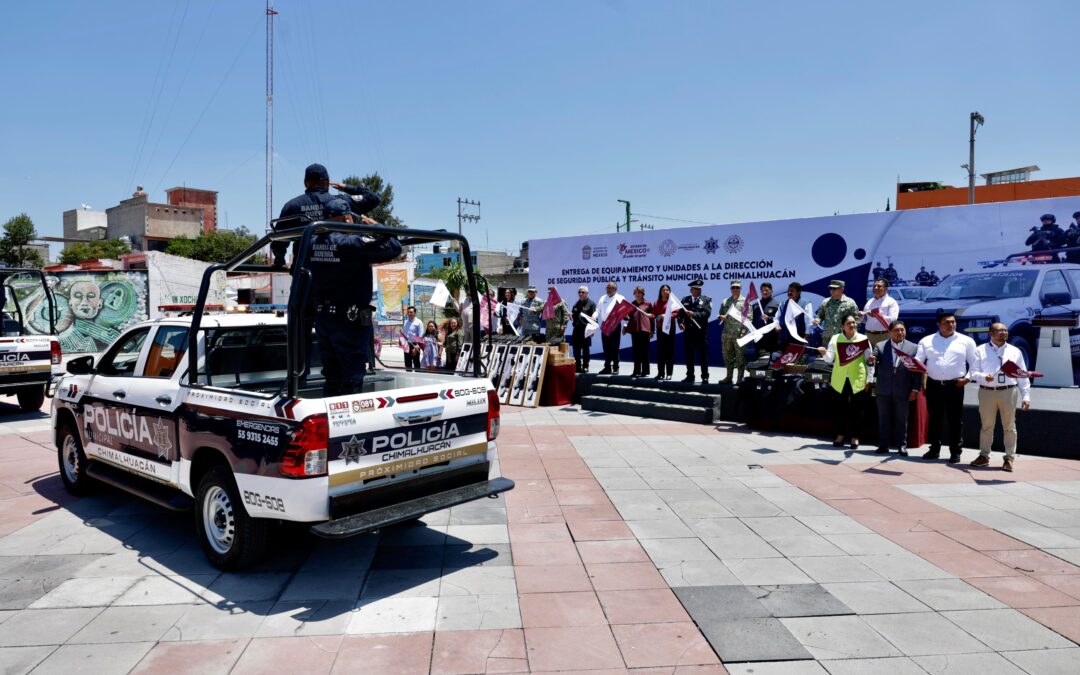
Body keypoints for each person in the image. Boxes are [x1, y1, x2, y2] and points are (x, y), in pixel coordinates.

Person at [308, 198, 401, 396]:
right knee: (352, 377)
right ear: (347, 218)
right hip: (347, 322)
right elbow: (394, 247)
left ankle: (330, 416)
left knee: (332, 375)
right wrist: (378, 227)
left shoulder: (311, 242)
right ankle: (347, 422)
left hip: (324, 319)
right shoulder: (349, 242)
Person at [273, 163, 380, 268]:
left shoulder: (291, 206)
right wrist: (346, 187)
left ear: (305, 183)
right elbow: (373, 198)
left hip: (304, 272)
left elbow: (279, 240)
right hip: (339, 269)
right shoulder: (341, 202)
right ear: (327, 182)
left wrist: (279, 262)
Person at [915, 311, 977, 464]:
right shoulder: (926, 341)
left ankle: (955, 451)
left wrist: (967, 379)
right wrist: (910, 363)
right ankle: (934, 449)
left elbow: (975, 363)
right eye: (947, 322)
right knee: (935, 419)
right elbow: (918, 361)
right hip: (934, 385)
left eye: (953, 322)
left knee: (955, 420)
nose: (951, 325)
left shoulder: (966, 341)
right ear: (938, 324)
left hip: (955, 385)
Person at [970, 323, 1031, 472]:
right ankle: (984, 456)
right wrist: (984, 377)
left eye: (1005, 330)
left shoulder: (1015, 351)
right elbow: (973, 372)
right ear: (990, 333)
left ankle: (1009, 458)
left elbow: (1022, 374)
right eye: (1000, 330)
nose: (1004, 333)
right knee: (986, 426)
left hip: (1008, 391)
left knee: (1009, 426)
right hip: (987, 392)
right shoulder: (980, 350)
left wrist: (1026, 396)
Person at [816, 315, 871, 449]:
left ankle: (855, 437)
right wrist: (823, 353)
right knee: (840, 409)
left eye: (854, 322)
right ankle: (840, 435)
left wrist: (869, 378)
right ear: (842, 326)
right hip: (839, 379)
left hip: (857, 377)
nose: (852, 325)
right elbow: (830, 359)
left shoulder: (863, 339)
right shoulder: (835, 338)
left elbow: (869, 361)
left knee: (857, 410)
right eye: (848, 323)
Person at [870, 320, 921, 456]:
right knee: (883, 418)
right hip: (883, 389)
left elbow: (917, 371)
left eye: (902, 330)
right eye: (896, 330)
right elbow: (873, 359)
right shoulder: (880, 346)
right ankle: (883, 445)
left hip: (903, 389)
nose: (900, 333)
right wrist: (871, 360)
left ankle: (901, 445)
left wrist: (915, 389)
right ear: (890, 332)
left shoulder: (913, 348)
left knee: (901, 419)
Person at [679, 279, 712, 383]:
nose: (698, 290)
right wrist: (680, 323)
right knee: (689, 355)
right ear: (691, 290)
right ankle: (690, 375)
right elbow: (680, 314)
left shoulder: (706, 300)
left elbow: (706, 314)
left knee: (703, 356)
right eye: (695, 289)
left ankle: (705, 376)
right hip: (688, 332)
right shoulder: (685, 300)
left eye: (699, 289)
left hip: (701, 333)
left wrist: (694, 314)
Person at [716, 280, 748, 384]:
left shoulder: (745, 302)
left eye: (737, 287)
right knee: (727, 357)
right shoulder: (725, 301)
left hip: (739, 334)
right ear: (730, 289)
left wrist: (743, 332)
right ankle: (729, 377)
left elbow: (749, 318)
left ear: (740, 289)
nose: (735, 289)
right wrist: (720, 317)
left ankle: (740, 379)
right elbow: (720, 315)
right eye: (733, 287)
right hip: (727, 334)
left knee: (740, 358)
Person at [814, 280, 858, 345]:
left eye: (834, 288)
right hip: (828, 339)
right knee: (828, 355)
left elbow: (856, 320)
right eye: (830, 288)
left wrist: (851, 334)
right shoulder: (825, 302)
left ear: (842, 289)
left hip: (844, 338)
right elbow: (820, 316)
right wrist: (817, 321)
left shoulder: (850, 303)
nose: (832, 290)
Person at [596, 282, 627, 375]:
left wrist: (625, 325)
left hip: (615, 325)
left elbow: (625, 313)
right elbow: (598, 310)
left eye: (610, 288)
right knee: (606, 347)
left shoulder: (620, 298)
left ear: (615, 289)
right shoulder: (602, 298)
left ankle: (616, 367)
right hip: (605, 325)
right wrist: (594, 317)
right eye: (607, 288)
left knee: (615, 347)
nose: (608, 289)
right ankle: (607, 367)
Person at [860, 279, 899, 348]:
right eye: (874, 286)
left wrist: (876, 315)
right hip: (868, 335)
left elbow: (893, 320)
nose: (875, 288)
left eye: (879, 286)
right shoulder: (869, 302)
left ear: (886, 289)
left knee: (883, 358)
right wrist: (861, 316)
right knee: (869, 358)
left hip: (883, 336)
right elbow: (865, 320)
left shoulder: (891, 302)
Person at [625, 286, 653, 378]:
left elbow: (652, 318)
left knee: (644, 351)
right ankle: (636, 370)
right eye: (635, 293)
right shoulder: (632, 304)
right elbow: (628, 318)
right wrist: (625, 319)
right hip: (635, 330)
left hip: (645, 330)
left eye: (639, 293)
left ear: (642, 294)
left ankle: (644, 371)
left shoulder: (648, 303)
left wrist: (652, 330)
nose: (637, 294)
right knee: (636, 351)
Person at [652, 284, 676, 380]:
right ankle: (660, 373)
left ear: (670, 292)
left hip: (670, 329)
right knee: (660, 352)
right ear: (660, 292)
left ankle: (669, 373)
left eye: (667, 290)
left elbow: (676, 313)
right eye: (663, 290)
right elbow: (654, 315)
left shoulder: (673, 302)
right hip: (660, 329)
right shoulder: (656, 302)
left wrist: (666, 315)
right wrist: (653, 315)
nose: (665, 291)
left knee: (669, 352)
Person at [571, 286, 597, 373]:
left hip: (586, 329)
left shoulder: (591, 304)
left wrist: (592, 330)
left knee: (585, 349)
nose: (580, 294)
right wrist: (570, 316)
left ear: (586, 293)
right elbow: (573, 317)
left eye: (582, 292)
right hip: (576, 329)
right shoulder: (576, 304)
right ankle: (578, 366)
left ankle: (585, 366)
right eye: (579, 292)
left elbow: (594, 319)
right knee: (576, 349)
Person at [776, 282, 807, 350]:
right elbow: (776, 318)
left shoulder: (805, 303)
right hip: (784, 339)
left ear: (799, 292)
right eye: (788, 290)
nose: (789, 292)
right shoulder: (783, 304)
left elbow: (808, 321)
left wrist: (806, 336)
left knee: (796, 360)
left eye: (792, 291)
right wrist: (777, 325)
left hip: (798, 339)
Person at [754, 282, 781, 358]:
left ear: (771, 291)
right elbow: (753, 321)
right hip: (759, 339)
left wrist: (768, 318)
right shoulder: (756, 305)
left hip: (772, 339)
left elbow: (780, 320)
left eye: (766, 290)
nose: (764, 292)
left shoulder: (777, 304)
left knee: (771, 363)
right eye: (762, 290)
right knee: (759, 363)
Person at [401, 305, 423, 370]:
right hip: (407, 345)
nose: (409, 314)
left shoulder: (419, 322)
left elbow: (421, 336)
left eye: (411, 312)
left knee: (416, 363)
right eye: (408, 312)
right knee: (407, 364)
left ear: (415, 313)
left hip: (415, 345)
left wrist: (416, 347)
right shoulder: (405, 322)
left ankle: (418, 378)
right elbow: (405, 333)